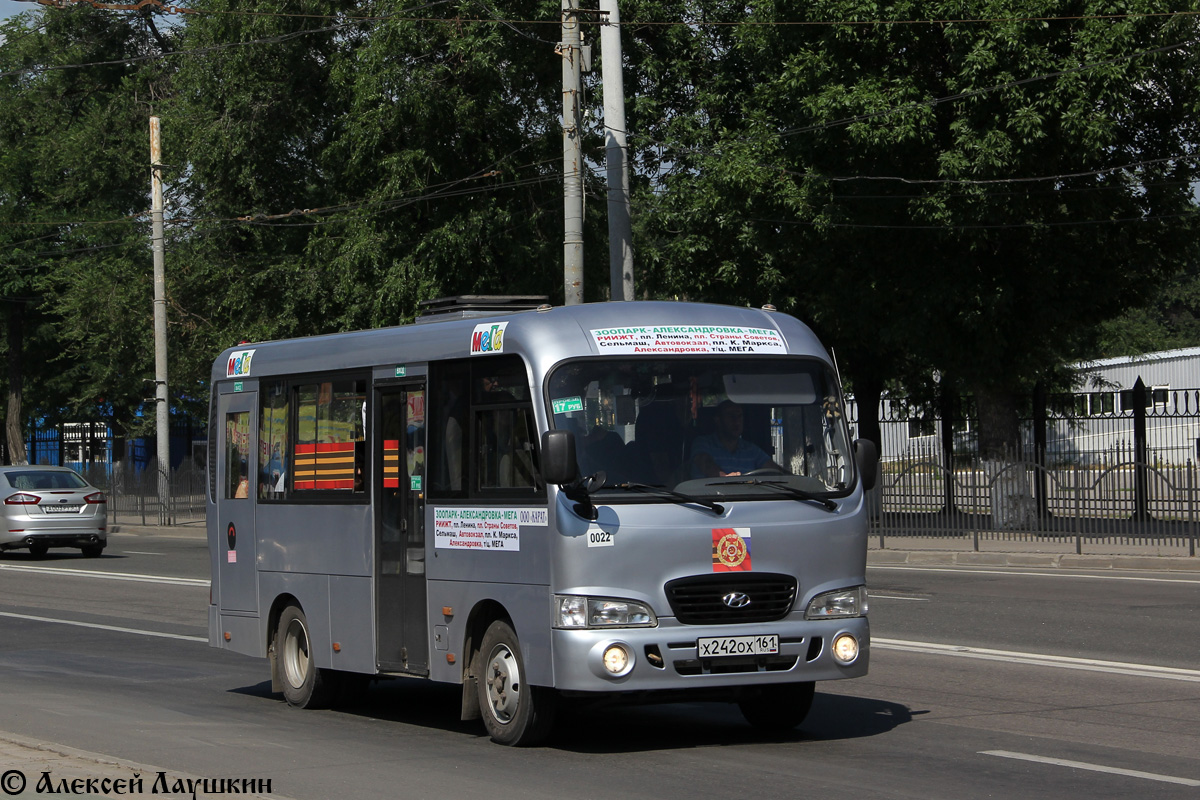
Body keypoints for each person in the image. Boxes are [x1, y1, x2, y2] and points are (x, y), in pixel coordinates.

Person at [692, 400, 782, 478]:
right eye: (731, 416)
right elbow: (705, 463)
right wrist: (724, 478)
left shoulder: (751, 450)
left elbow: (774, 470)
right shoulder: (703, 443)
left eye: (739, 416)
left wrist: (793, 481)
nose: (737, 421)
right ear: (718, 420)